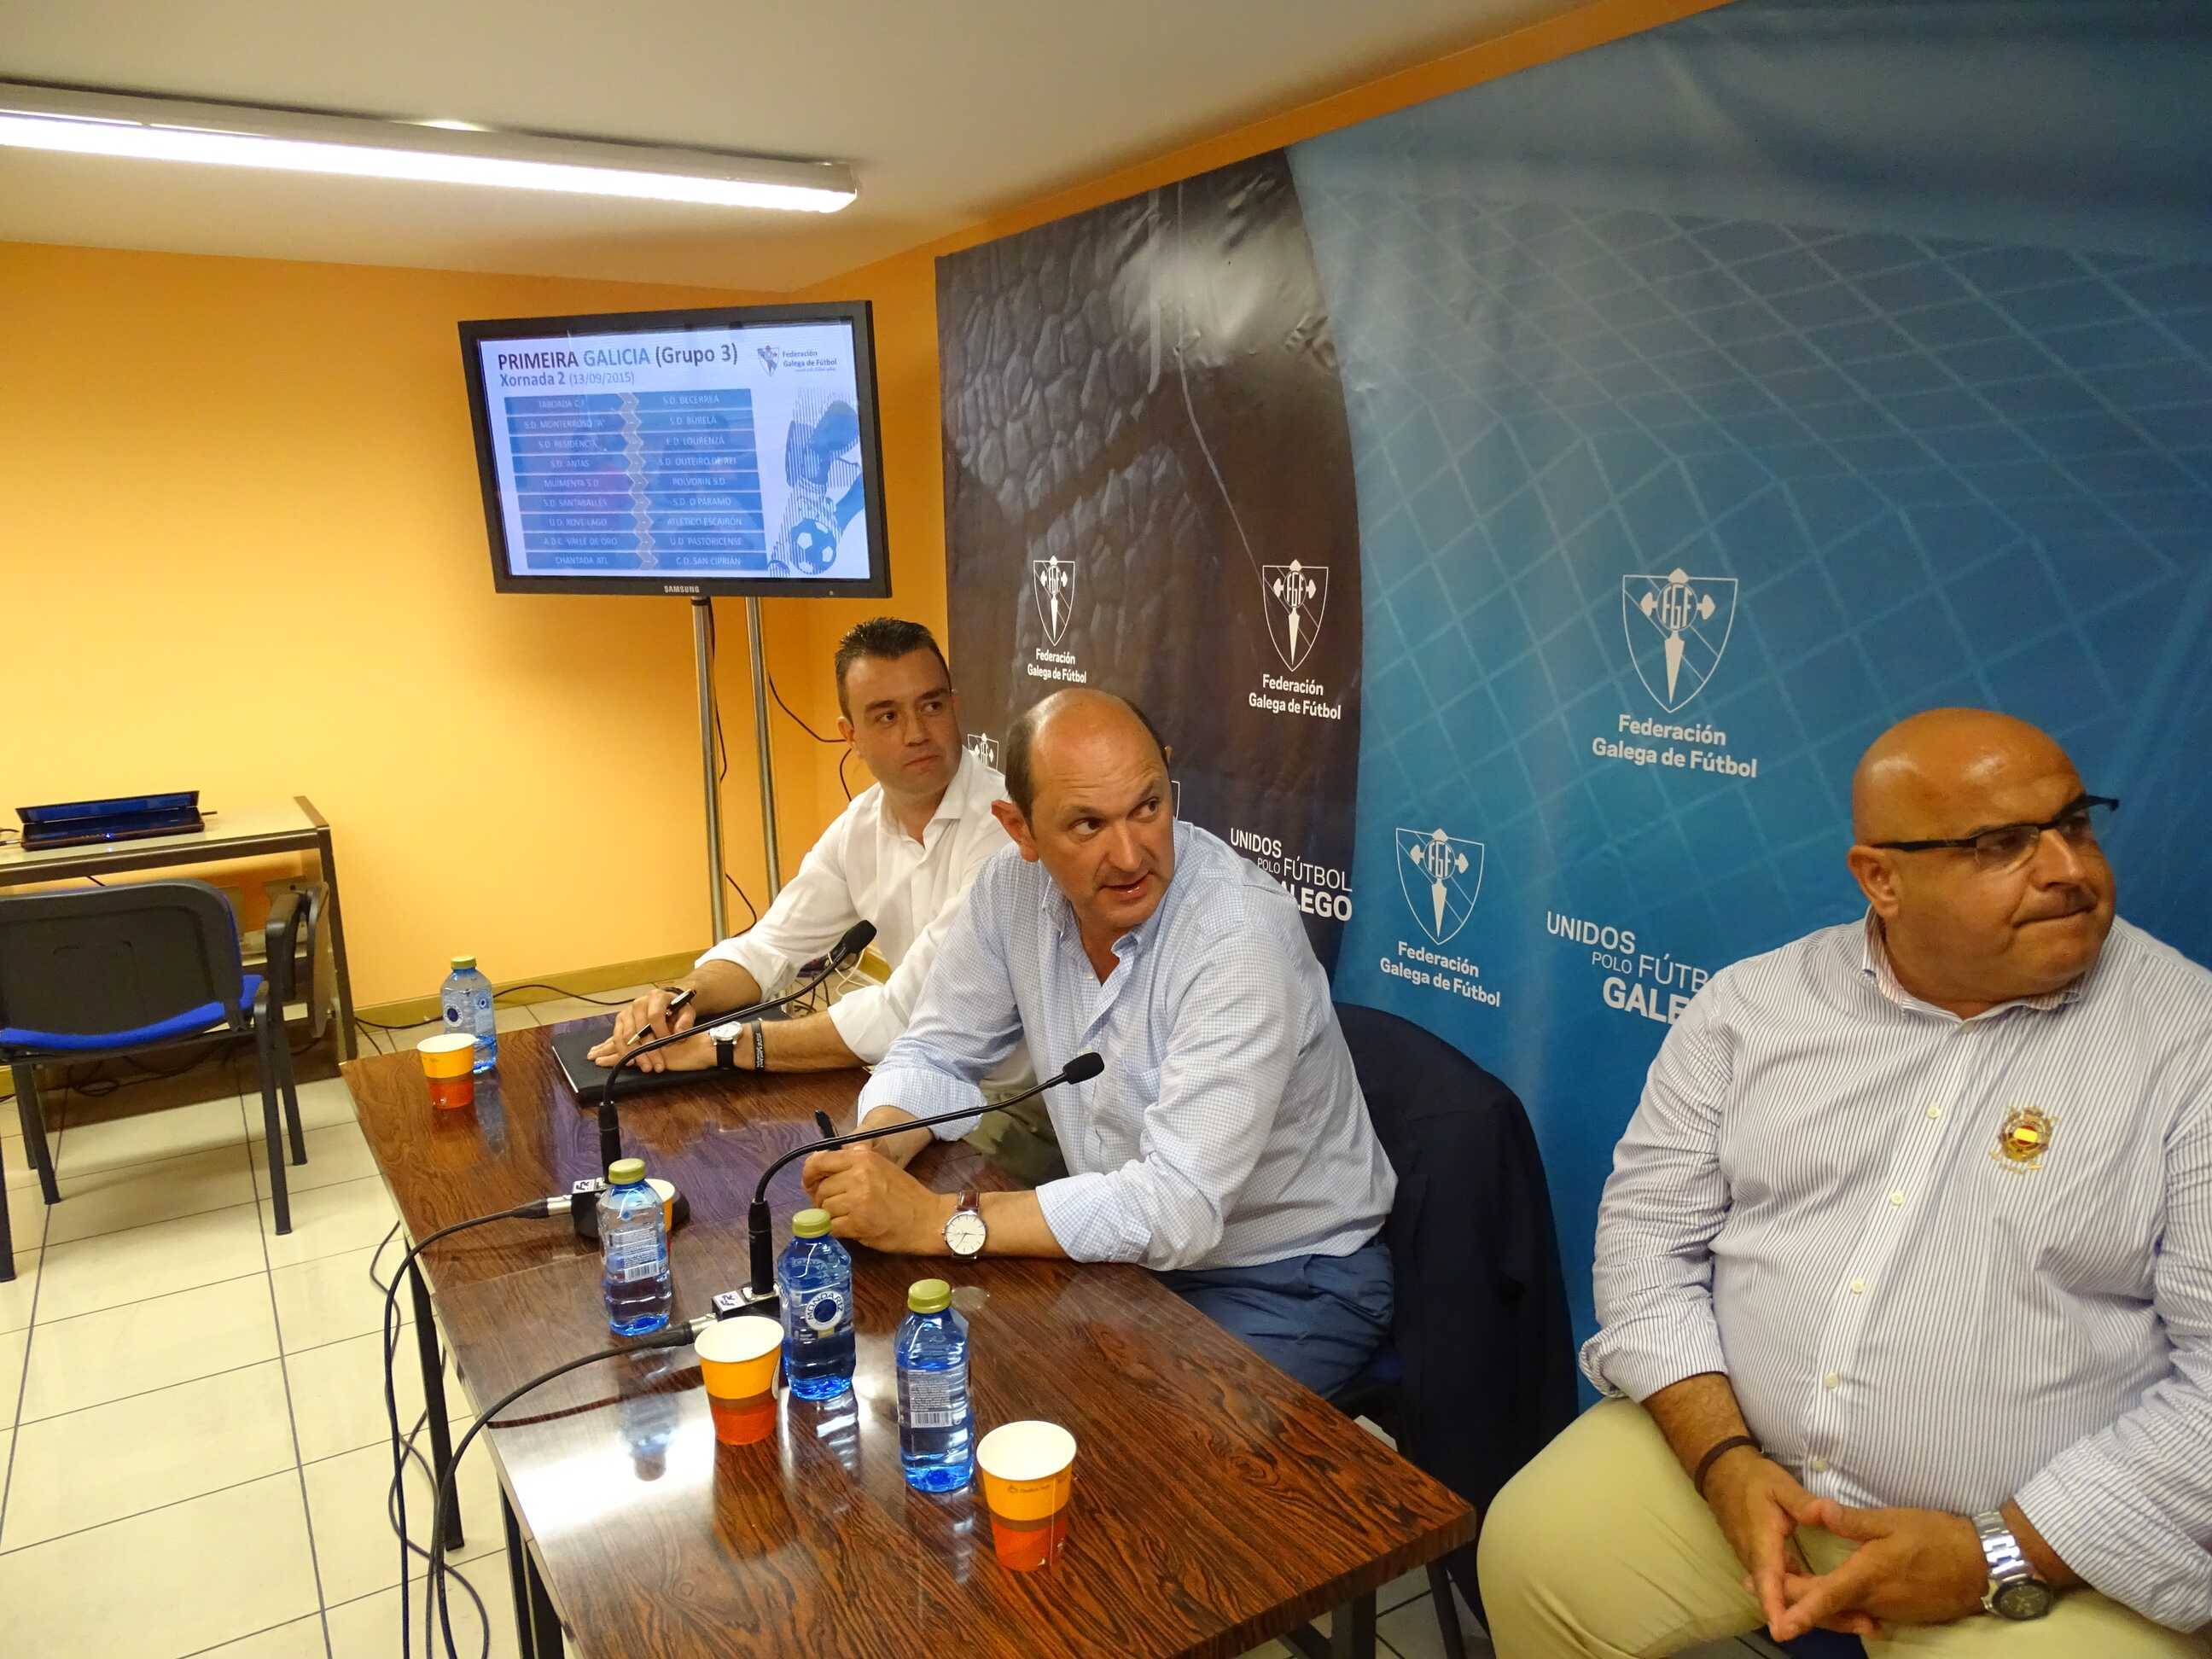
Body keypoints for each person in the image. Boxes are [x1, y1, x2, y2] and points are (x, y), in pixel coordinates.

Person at [1478, 708, 2212, 1656]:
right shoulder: (1753, 1008)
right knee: (1538, 1549)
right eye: (2001, 845)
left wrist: (1996, 1553)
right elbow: (1646, 1242)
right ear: (1881, 878)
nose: (2069, 869)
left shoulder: (2189, 1045)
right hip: (1740, 1461)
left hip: (2043, 1542)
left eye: (2075, 823)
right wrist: (1723, 1463)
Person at [799, 687, 1398, 1397]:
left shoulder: (1238, 937)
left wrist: (936, 1220)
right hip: (1128, 1258)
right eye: (1087, 824)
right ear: (1020, 829)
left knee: (1114, 1445)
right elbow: (936, 1050)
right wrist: (875, 1150)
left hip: (1287, 1280)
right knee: (974, 1390)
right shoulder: (1010, 890)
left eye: (1148, 807)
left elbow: (1177, 1207)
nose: (1131, 853)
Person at [591, 617, 1011, 1075]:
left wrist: (723, 1045)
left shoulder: (1006, 828)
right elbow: (768, 946)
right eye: (888, 716)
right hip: (923, 1077)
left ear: (954, 707)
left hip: (1016, 1099)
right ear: (851, 736)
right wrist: (679, 998)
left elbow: (907, 1010)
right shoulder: (860, 826)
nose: (916, 733)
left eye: (931, 706)